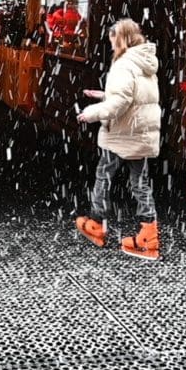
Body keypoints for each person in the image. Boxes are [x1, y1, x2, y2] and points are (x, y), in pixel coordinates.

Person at [75, 18, 162, 260]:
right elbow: (135, 98)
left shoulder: (124, 64)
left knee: (104, 175)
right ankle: (149, 236)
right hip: (140, 134)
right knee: (140, 183)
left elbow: (121, 103)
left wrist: (91, 113)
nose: (112, 45)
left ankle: (96, 224)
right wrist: (104, 95)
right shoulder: (145, 62)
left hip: (122, 134)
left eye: (113, 40)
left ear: (121, 39)